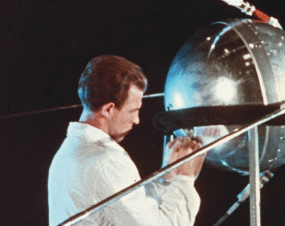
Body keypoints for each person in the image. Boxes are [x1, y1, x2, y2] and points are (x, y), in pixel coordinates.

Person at [48, 55, 205, 226]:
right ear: (108, 109)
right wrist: (185, 179)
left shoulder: (70, 150)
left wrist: (166, 177)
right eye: (133, 111)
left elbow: (133, 210)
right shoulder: (105, 161)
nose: (137, 120)